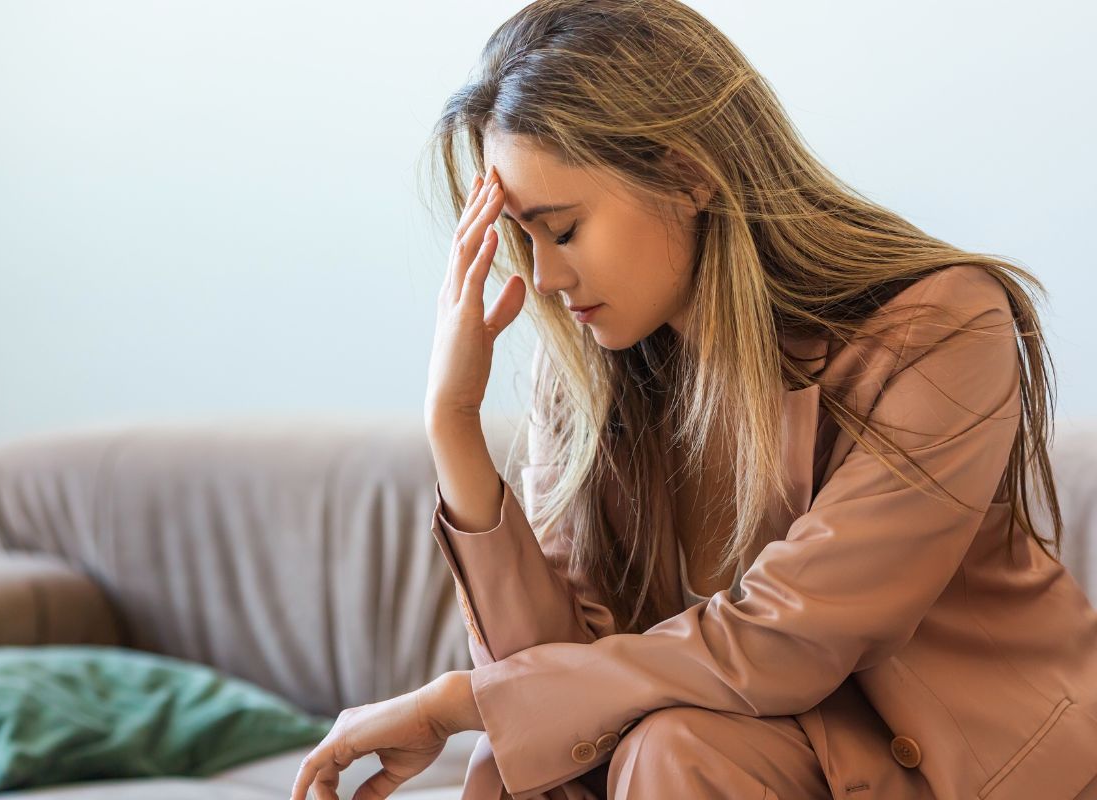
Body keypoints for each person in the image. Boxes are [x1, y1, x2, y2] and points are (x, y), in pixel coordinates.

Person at [291, 1, 1097, 798]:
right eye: (524, 240)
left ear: (687, 175)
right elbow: (550, 692)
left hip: (962, 771)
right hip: (741, 763)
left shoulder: (943, 326)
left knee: (664, 748)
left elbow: (796, 636)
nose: (544, 278)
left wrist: (459, 702)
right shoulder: (589, 371)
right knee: (533, 761)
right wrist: (453, 424)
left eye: (562, 230)